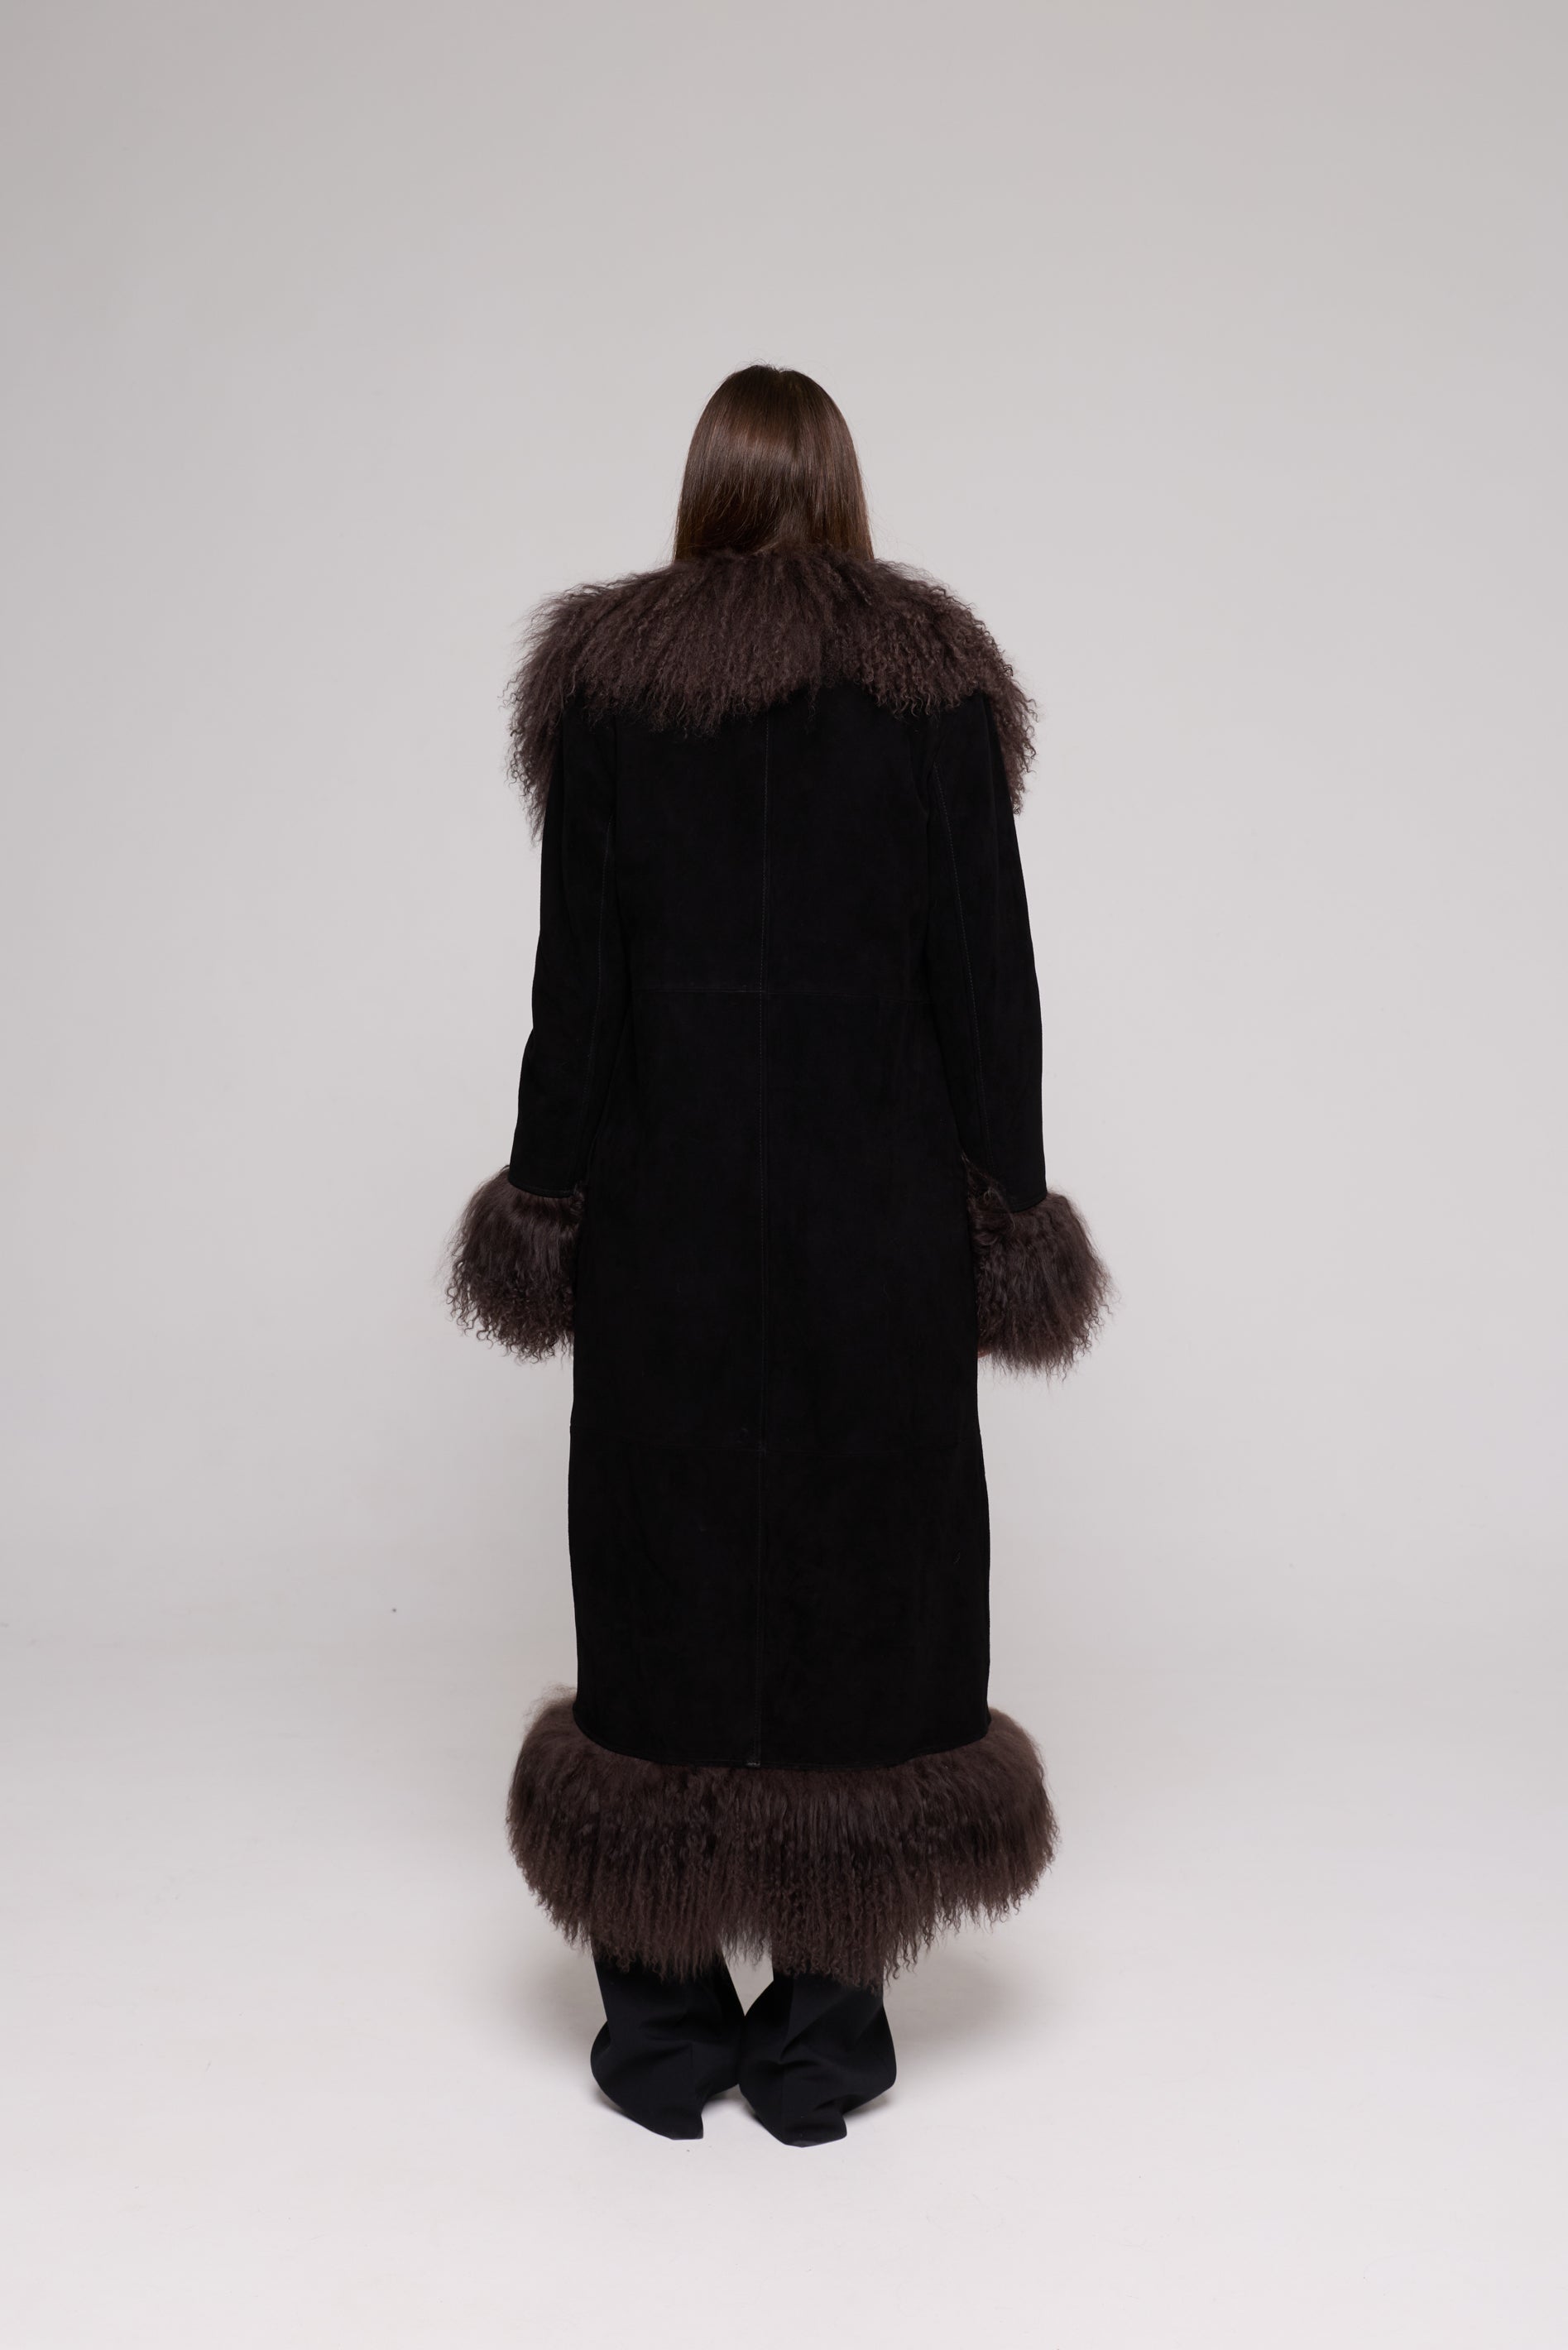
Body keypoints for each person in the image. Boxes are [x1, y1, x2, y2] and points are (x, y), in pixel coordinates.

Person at [448, 365, 1110, 2146]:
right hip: (875, 1232)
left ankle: (663, 2035)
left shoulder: (610, 694)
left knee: (658, 1588)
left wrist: (547, 1199)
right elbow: (991, 990)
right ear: (843, 490)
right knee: (868, 1595)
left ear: (704, 490)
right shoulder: (934, 689)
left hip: (665, 1228)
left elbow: (575, 996)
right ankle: (824, 2037)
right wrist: (1011, 1206)